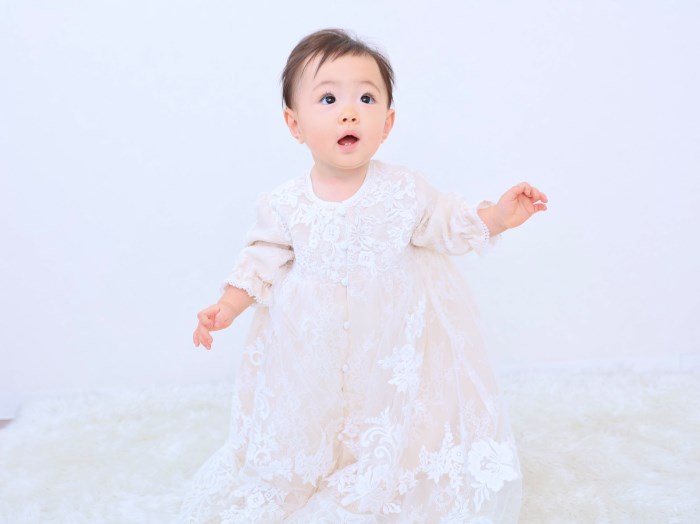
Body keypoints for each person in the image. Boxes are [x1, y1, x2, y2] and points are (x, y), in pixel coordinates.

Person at [178, 28, 547, 523]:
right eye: (328, 98)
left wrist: (497, 217)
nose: (349, 112)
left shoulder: (403, 190)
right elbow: (259, 261)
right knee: (312, 418)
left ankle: (386, 468)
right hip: (311, 349)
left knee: (391, 420)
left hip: (387, 346)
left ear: (388, 122)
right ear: (294, 123)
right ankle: (310, 466)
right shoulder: (285, 204)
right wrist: (226, 306)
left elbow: (446, 223)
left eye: (366, 98)